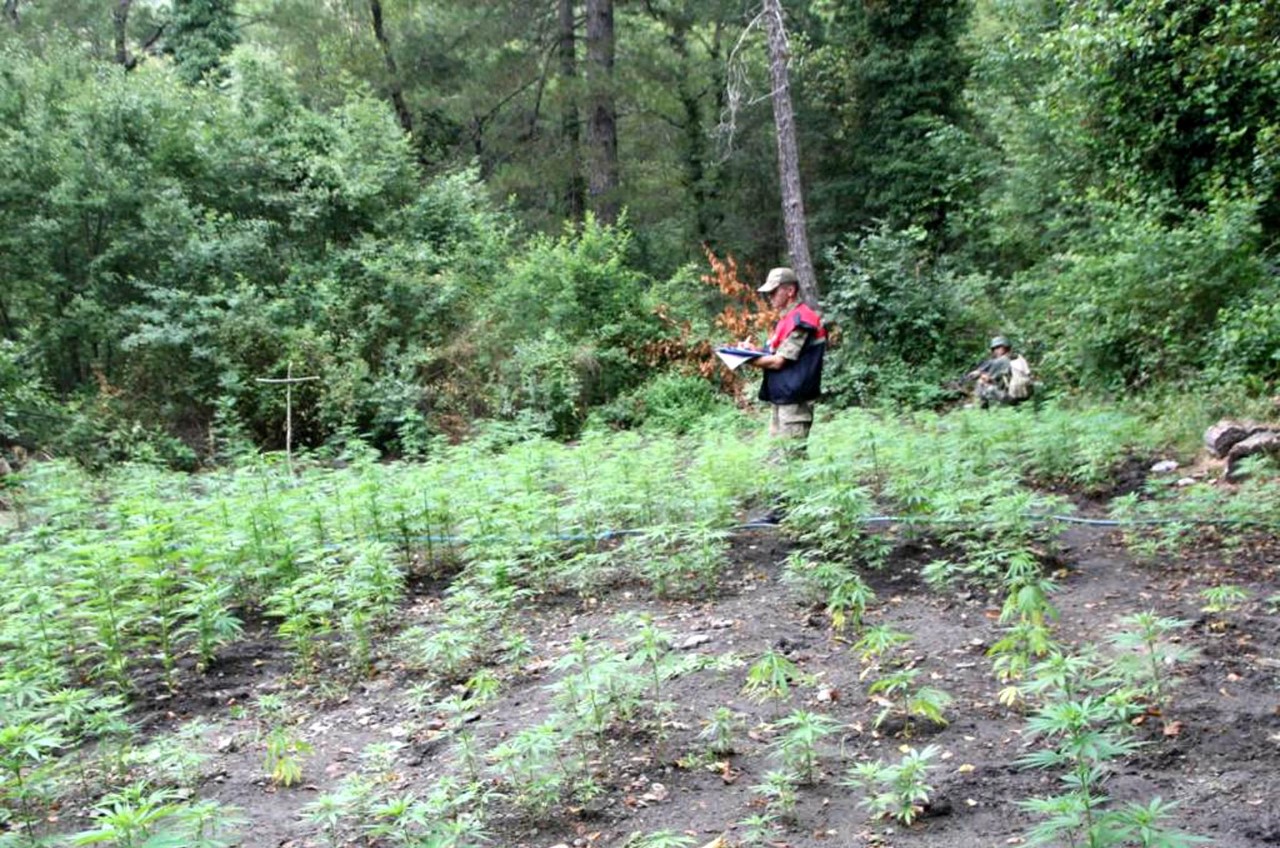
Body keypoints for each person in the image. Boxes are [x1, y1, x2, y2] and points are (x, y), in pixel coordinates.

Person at [746, 267, 827, 444]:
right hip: (783, 398)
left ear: (790, 291)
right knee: (779, 460)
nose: (770, 296)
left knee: (792, 460)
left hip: (795, 403)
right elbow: (776, 352)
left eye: (774, 291)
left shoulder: (802, 320)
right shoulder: (787, 319)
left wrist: (747, 359)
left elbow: (778, 362)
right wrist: (752, 351)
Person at [968, 335, 1032, 408]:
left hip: (1012, 398)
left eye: (998, 347)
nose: (996, 351)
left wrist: (979, 375)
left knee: (982, 383)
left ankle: (979, 408)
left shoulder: (1001, 361)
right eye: (994, 348)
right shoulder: (1018, 357)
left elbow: (989, 378)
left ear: (1005, 347)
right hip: (1026, 395)